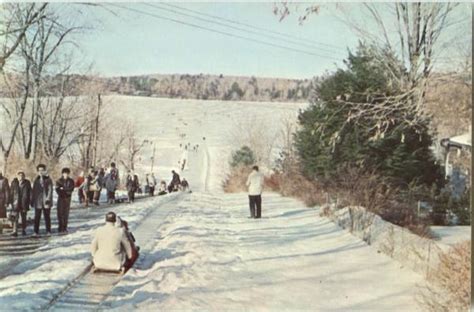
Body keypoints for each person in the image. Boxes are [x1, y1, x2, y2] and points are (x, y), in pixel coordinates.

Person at [31, 164, 54, 235]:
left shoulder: (48, 180)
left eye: (42, 170)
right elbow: (34, 191)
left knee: (47, 216)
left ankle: (48, 231)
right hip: (38, 202)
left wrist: (48, 198)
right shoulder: (36, 180)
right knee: (37, 217)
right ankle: (35, 231)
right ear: (37, 171)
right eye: (39, 170)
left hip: (46, 201)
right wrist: (32, 200)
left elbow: (50, 190)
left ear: (45, 171)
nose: (41, 172)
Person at [10, 171, 31, 236]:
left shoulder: (27, 183)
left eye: (22, 176)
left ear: (24, 177)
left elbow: (30, 193)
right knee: (15, 217)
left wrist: (29, 201)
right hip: (16, 202)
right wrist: (11, 202)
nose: (21, 177)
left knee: (23, 217)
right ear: (17, 176)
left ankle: (23, 230)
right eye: (20, 176)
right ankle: (14, 231)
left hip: (24, 203)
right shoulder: (14, 183)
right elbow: (11, 193)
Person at [55, 168, 75, 233]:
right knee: (60, 213)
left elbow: (71, 189)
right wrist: (63, 190)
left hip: (67, 199)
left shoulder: (71, 181)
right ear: (62, 174)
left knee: (66, 214)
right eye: (64, 173)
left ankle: (65, 227)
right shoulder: (59, 180)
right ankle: (60, 226)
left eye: (67, 173)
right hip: (61, 198)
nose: (66, 175)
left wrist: (64, 189)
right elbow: (57, 189)